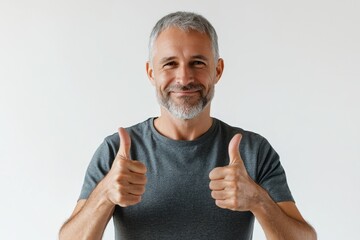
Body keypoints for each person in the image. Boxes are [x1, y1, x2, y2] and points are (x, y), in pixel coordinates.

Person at [59, 11, 317, 240]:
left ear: (218, 70)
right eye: (170, 64)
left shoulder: (252, 150)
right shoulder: (116, 151)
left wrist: (258, 200)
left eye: (198, 63)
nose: (184, 78)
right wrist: (105, 194)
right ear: (151, 73)